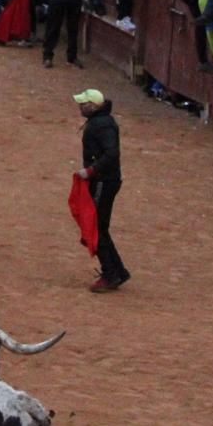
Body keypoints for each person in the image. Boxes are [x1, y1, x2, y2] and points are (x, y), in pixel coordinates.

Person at [75, 88, 129, 291]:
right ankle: (118, 271)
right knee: (100, 228)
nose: (81, 107)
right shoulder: (103, 122)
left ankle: (111, 274)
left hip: (103, 181)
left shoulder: (102, 125)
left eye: (84, 104)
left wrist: (91, 171)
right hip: (104, 180)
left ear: (94, 106)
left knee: (96, 228)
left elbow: (112, 154)